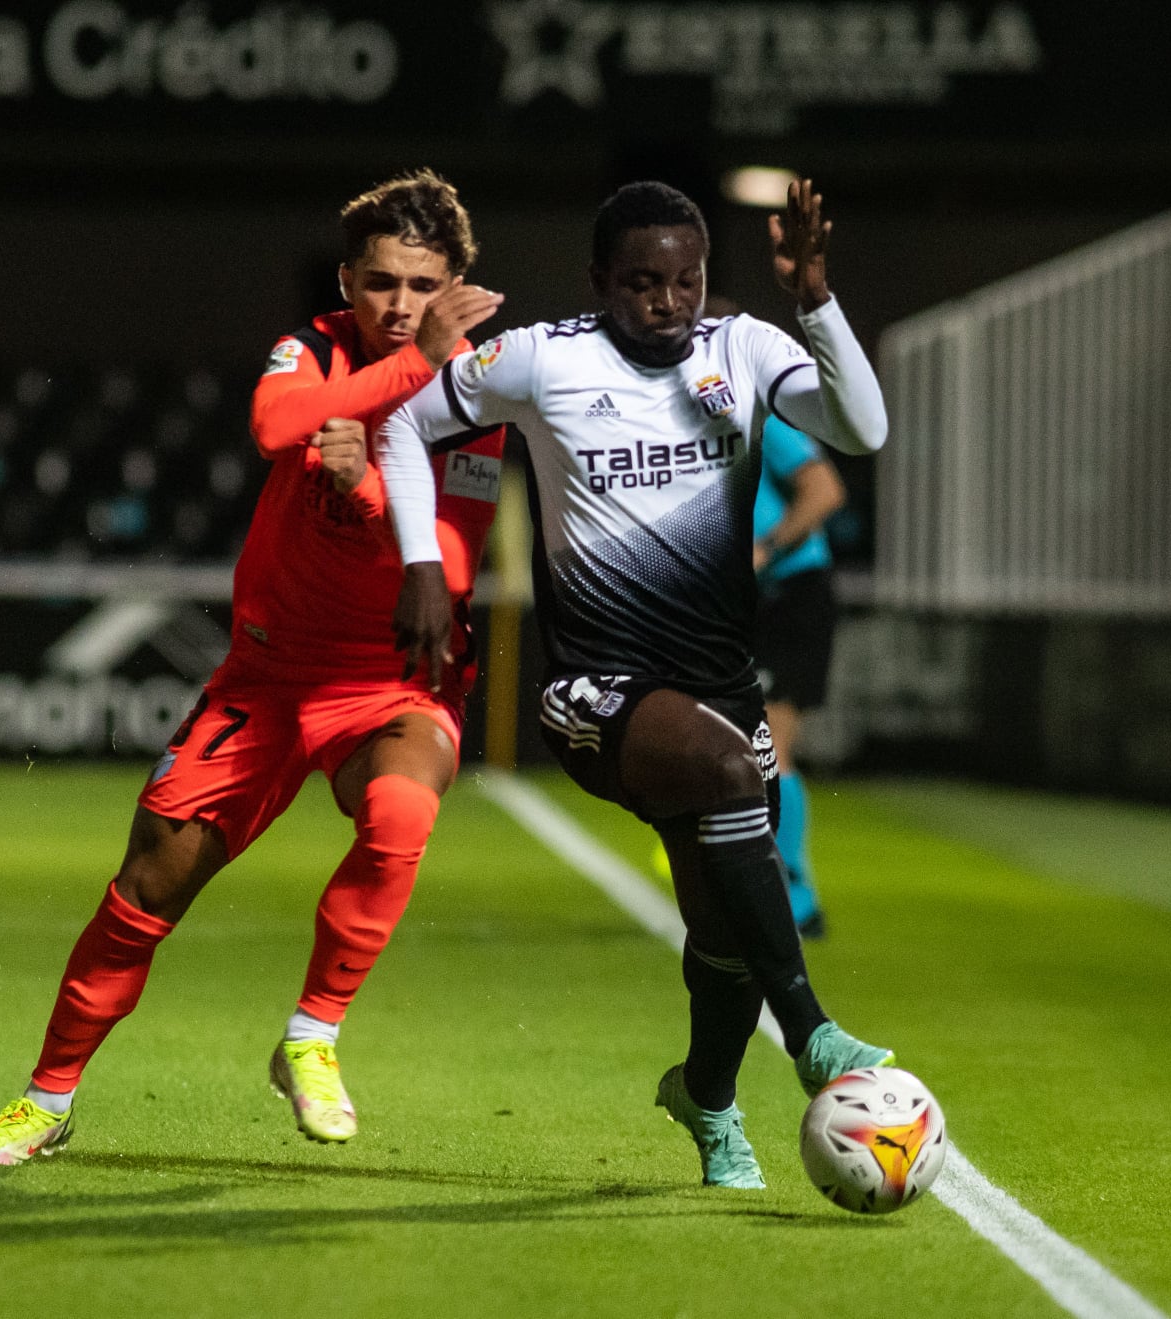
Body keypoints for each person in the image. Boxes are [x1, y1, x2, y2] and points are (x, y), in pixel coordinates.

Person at [0, 171, 505, 1165]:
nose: (400, 306)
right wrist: (392, 377)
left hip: (389, 682)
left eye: (423, 286)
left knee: (401, 815)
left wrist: (369, 482)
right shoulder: (314, 347)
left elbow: (450, 560)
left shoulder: (477, 392)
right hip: (264, 678)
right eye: (379, 281)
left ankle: (312, 1034)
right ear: (347, 278)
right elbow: (269, 425)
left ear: (457, 284)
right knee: (144, 889)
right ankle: (44, 1100)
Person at [380, 179, 892, 1189]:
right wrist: (422, 565)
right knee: (722, 772)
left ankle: (704, 1098)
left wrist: (816, 300)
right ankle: (814, 1035)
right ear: (597, 282)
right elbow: (403, 427)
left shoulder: (741, 347)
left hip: (717, 685)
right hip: (592, 689)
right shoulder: (541, 356)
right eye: (641, 283)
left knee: (727, 930)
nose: (666, 301)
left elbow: (860, 429)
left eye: (685, 281)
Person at [750, 412, 847, 937]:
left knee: (769, 745)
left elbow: (825, 491)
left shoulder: (758, 419)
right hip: (745, 600)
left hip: (792, 592)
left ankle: (796, 897)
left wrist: (767, 547)